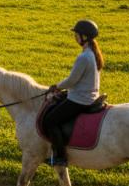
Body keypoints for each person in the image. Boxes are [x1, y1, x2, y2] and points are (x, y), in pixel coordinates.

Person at [41, 19, 105, 167]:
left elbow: (71, 80)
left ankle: (60, 157)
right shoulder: (92, 54)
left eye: (76, 34)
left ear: (84, 37)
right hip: (88, 95)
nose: (75, 37)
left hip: (80, 99)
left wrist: (56, 86)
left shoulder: (84, 57)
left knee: (50, 120)